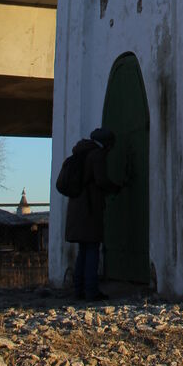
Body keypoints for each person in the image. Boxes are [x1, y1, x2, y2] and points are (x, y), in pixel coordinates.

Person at [64, 127, 120, 301]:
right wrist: (116, 187)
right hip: (89, 207)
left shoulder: (80, 152)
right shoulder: (96, 155)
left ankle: (78, 290)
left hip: (76, 206)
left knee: (83, 250)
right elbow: (101, 179)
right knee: (93, 248)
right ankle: (91, 291)